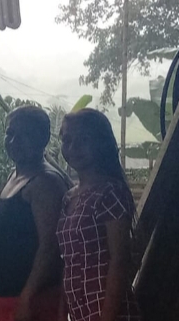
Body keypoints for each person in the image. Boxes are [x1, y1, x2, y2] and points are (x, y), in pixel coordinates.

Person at [0, 106, 72, 321]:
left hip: (32, 302)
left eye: (24, 134)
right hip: (8, 299)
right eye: (10, 133)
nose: (14, 141)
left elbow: (50, 247)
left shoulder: (45, 183)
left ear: (43, 138)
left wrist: (27, 297)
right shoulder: (16, 175)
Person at [57, 108, 142, 321]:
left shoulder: (110, 192)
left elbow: (119, 260)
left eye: (84, 140)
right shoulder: (69, 197)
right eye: (67, 140)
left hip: (110, 312)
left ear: (101, 143)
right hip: (80, 311)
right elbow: (69, 262)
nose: (73, 147)